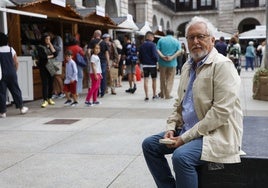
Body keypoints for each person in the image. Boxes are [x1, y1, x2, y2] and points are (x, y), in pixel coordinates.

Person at [142, 16, 243, 188]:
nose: (195, 41)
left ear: (211, 39)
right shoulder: (188, 66)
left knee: (181, 156)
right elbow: (179, 104)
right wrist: (171, 128)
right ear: (186, 42)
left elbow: (220, 114)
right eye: (191, 37)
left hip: (216, 133)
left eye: (201, 36)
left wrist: (184, 138)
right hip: (188, 129)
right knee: (149, 145)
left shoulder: (222, 66)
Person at [0, 32, 28, 118]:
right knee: (16, 90)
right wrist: (14, 71)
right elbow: (16, 62)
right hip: (12, 73)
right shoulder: (11, 49)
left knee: (1, 93)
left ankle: (2, 112)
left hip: (1, 74)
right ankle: (21, 108)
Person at [156, 29, 181, 99]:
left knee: (162, 78)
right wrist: (172, 57)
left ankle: (162, 93)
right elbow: (179, 51)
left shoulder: (161, 40)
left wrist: (162, 56)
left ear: (166, 33)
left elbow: (157, 49)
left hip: (162, 62)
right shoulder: (176, 41)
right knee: (170, 79)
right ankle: (167, 94)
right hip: (172, 63)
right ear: (173, 34)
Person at [36, 33, 58, 108]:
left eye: (49, 39)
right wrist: (51, 56)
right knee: (45, 83)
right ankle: (45, 99)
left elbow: (55, 54)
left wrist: (50, 45)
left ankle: (49, 98)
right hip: (43, 67)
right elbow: (43, 57)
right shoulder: (40, 47)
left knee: (51, 83)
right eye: (47, 39)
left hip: (51, 66)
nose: (48, 40)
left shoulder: (49, 46)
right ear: (43, 39)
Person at [87, 30, 109, 98]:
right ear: (100, 35)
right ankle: (102, 92)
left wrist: (90, 58)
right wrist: (108, 63)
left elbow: (88, 51)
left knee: (95, 76)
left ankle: (96, 93)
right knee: (102, 76)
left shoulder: (92, 41)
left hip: (95, 61)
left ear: (94, 34)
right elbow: (107, 53)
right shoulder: (104, 42)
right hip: (103, 61)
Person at [138, 31, 159, 101]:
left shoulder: (142, 45)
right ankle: (154, 95)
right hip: (152, 65)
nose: (153, 38)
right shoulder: (153, 45)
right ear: (149, 37)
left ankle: (146, 96)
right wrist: (157, 60)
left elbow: (140, 56)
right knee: (154, 80)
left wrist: (142, 63)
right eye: (153, 37)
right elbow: (154, 55)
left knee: (146, 80)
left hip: (145, 65)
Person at [50, 32, 65, 99]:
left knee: (58, 76)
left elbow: (59, 48)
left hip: (57, 60)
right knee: (54, 77)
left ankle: (62, 92)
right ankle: (55, 92)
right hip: (53, 60)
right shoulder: (53, 39)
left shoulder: (58, 38)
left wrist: (51, 45)